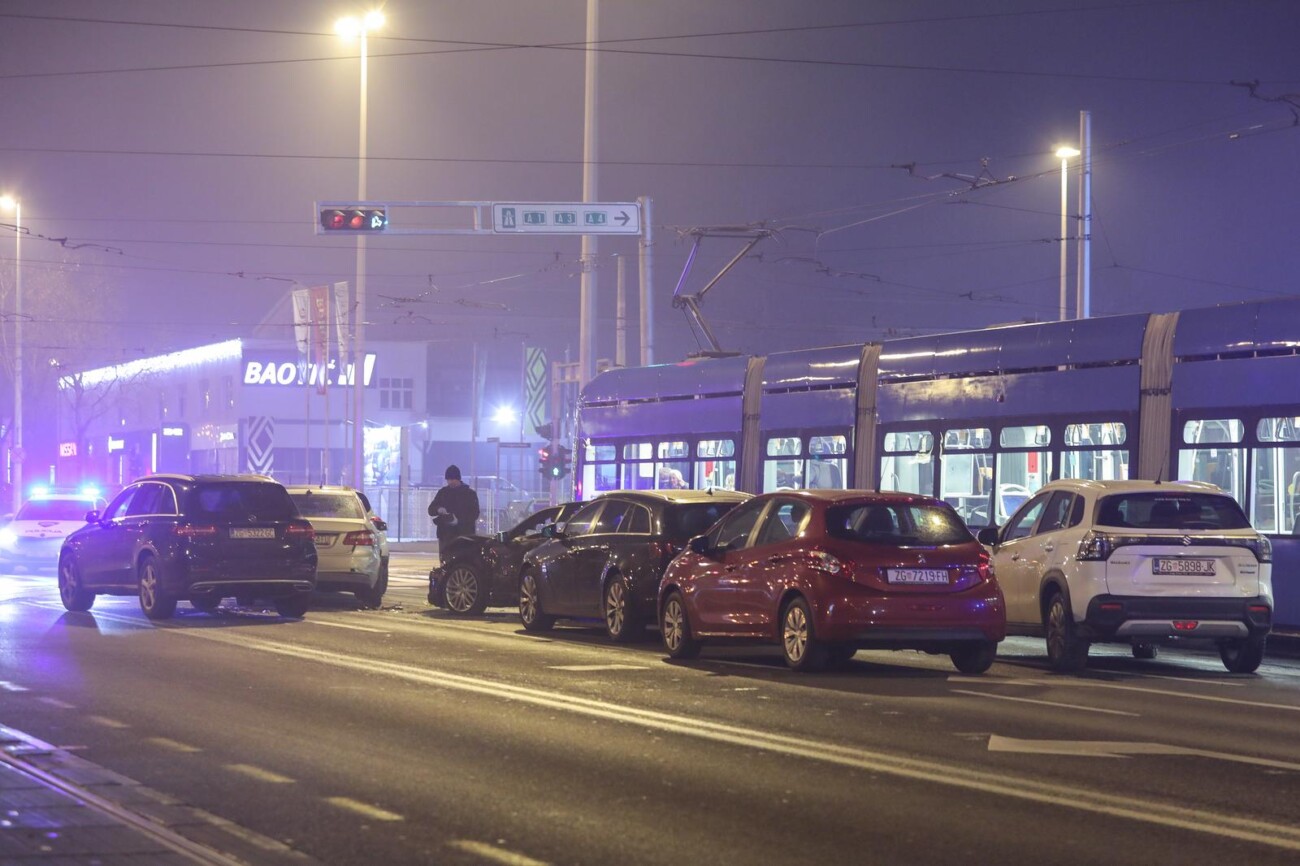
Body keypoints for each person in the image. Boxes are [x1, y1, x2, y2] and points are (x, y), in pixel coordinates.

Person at [427, 465, 480, 551]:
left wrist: (459, 521)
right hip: (445, 535)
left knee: (462, 557)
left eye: (453, 479)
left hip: (464, 535)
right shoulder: (443, 493)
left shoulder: (469, 494)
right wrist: (438, 509)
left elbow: (475, 513)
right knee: (446, 557)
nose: (450, 482)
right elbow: (431, 510)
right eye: (448, 480)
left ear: (458, 479)